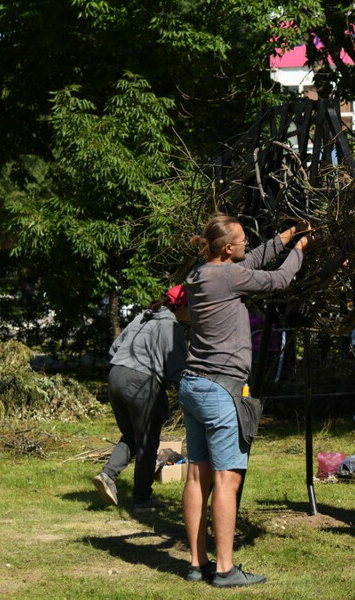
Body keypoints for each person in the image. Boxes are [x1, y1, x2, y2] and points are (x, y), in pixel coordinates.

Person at [180, 215, 313, 587]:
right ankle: (224, 569)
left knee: (196, 474)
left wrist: (286, 235)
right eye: (240, 240)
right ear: (227, 249)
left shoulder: (200, 273)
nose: (245, 245)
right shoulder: (230, 276)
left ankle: (196, 563)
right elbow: (279, 279)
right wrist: (300, 249)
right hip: (222, 390)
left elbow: (252, 259)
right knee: (227, 479)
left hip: (193, 385)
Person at [92, 284, 189, 511]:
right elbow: (176, 367)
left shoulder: (142, 317)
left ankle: (107, 476)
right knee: (147, 442)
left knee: (132, 435)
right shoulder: (171, 325)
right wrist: (188, 394)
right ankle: (143, 501)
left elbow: (115, 348)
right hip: (141, 381)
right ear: (182, 306)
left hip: (115, 375)